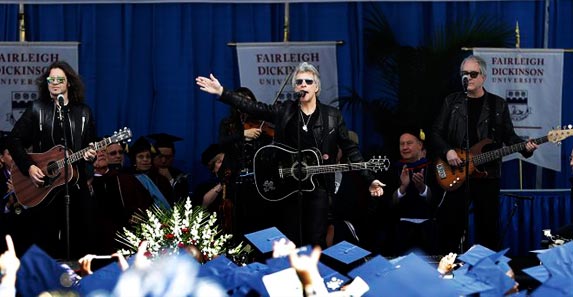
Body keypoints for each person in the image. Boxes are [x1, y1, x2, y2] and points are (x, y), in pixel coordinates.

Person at [196, 62, 385, 248]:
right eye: (300, 81)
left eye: (309, 81)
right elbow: (254, 107)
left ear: (317, 87)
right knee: (292, 240)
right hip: (288, 186)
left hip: (317, 186)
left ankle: (316, 276)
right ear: (295, 87)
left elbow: (351, 149)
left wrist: (369, 179)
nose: (304, 84)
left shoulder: (332, 116)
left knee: (316, 239)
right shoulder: (286, 110)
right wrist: (223, 92)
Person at [431, 55, 538, 253]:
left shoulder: (498, 105)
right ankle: (448, 270)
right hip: (457, 172)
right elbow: (435, 133)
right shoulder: (452, 102)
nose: (468, 78)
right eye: (464, 74)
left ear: (483, 77)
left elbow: (510, 137)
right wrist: (448, 151)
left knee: (487, 229)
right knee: (450, 226)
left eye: (473, 74)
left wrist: (525, 147)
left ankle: (486, 273)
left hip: (487, 175)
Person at [7, 60, 97, 259]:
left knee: (81, 241)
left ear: (69, 83)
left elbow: (91, 144)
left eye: (60, 79)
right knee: (46, 244)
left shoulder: (83, 112)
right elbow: (14, 140)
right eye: (51, 79)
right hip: (44, 189)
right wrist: (29, 167)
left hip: (76, 187)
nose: (55, 83)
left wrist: (91, 154)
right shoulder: (37, 109)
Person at [218, 87, 274, 236]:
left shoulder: (261, 123)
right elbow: (222, 142)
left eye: (248, 102)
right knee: (236, 220)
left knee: (260, 221)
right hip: (235, 177)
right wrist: (242, 134)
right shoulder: (228, 124)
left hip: (258, 178)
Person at [390, 128, 438, 255]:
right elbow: (387, 204)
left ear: (420, 145)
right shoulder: (393, 169)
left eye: (409, 143)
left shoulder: (434, 168)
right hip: (401, 231)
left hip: (429, 230)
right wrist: (402, 188)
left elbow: (439, 200)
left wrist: (422, 188)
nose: (404, 147)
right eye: (402, 144)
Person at [148, 133, 190, 205]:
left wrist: (170, 180)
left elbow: (182, 201)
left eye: (168, 157)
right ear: (153, 156)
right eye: (160, 156)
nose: (163, 161)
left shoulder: (179, 176)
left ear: (173, 157)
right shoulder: (145, 174)